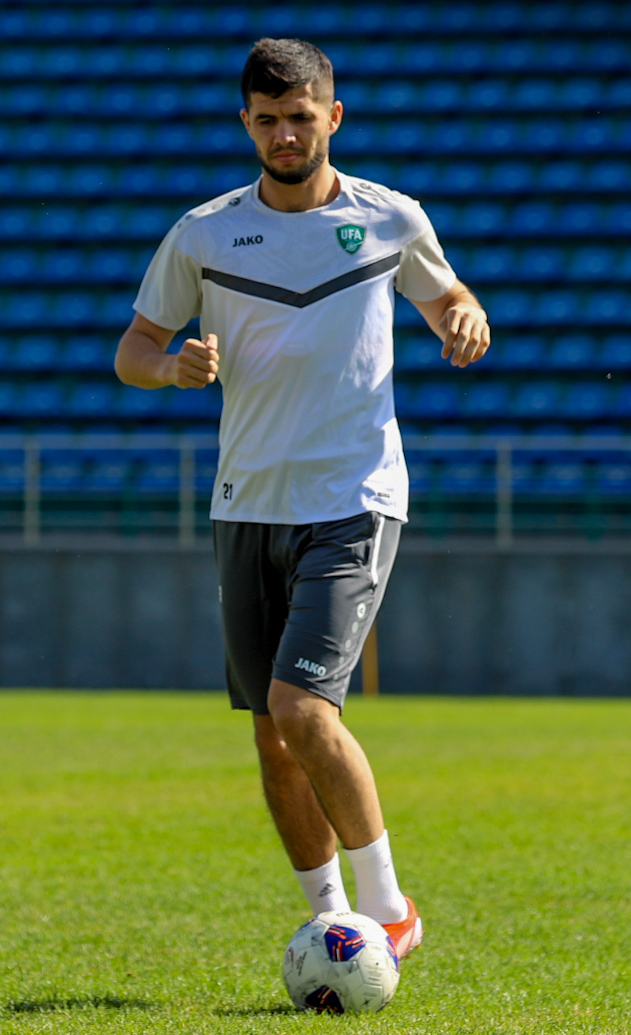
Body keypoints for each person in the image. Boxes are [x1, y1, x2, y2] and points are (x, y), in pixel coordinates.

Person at [114, 39, 491, 959]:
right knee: (271, 738)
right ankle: (330, 917)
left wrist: (462, 318)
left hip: (354, 495)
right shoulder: (203, 233)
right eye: (269, 118)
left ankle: (389, 911)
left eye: (302, 115)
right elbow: (132, 350)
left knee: (302, 709)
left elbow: (447, 298)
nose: (287, 132)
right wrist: (170, 368)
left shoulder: (391, 218)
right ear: (247, 122)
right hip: (245, 504)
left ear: (334, 116)